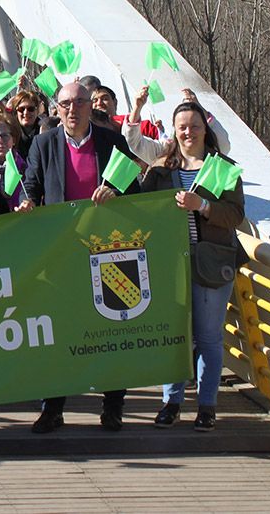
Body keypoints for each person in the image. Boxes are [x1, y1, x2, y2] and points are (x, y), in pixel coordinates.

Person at [19, 82, 141, 433]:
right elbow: (31, 184)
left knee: (112, 329)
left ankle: (114, 406)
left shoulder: (112, 143)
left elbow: (134, 190)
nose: (73, 110)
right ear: (56, 109)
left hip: (109, 252)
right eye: (66, 104)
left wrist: (116, 191)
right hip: (62, 253)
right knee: (59, 331)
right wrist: (28, 202)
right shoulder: (44, 144)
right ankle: (53, 408)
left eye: (80, 103)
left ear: (91, 107)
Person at [142, 100, 246, 432]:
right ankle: (171, 402)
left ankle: (207, 406)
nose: (188, 132)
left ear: (206, 129)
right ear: (174, 131)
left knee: (209, 337)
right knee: (174, 335)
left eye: (195, 126)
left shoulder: (223, 168)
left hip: (211, 262)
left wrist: (202, 205)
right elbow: (140, 208)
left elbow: (235, 215)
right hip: (170, 263)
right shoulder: (160, 171)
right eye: (182, 126)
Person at [8, 90, 43, 159]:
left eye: (31, 109)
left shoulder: (46, 130)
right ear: (16, 111)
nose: (26, 113)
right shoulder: (9, 132)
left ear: (37, 110)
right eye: (21, 109)